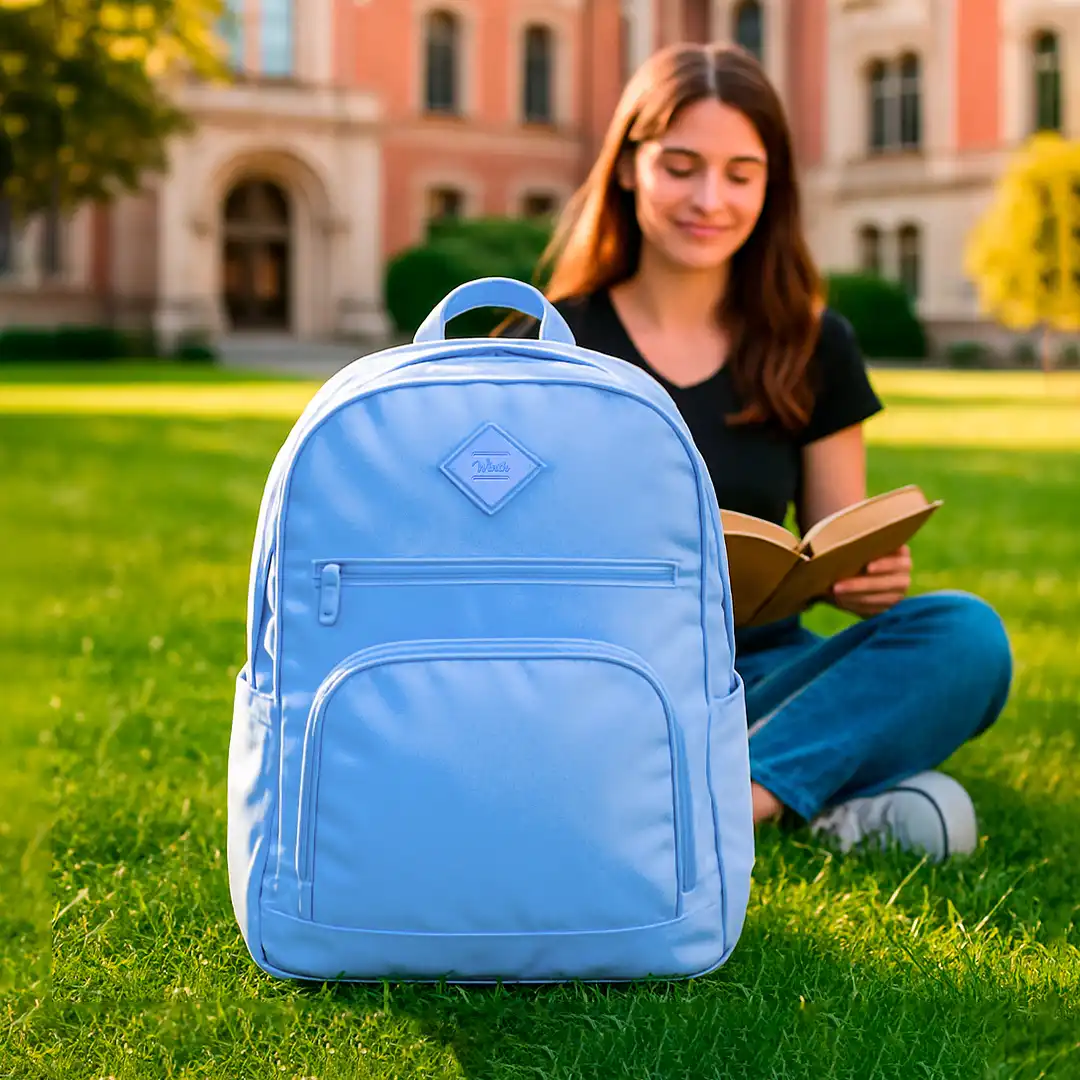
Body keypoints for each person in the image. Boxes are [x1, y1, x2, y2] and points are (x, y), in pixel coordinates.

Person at [500, 42, 1012, 860]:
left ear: (771, 186)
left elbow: (835, 539)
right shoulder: (546, 341)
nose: (711, 199)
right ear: (627, 166)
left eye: (741, 174)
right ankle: (818, 795)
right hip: (599, 675)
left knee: (965, 637)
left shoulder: (814, 344)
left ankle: (714, 806)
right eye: (681, 167)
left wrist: (865, 581)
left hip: (760, 675)